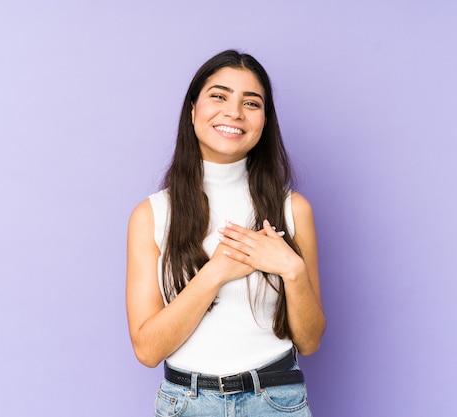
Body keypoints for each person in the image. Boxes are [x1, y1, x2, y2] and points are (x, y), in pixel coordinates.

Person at [126, 49, 326, 416]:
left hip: (276, 402)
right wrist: (217, 271)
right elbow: (147, 350)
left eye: (251, 103)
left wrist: (292, 270)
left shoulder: (293, 209)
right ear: (193, 110)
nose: (234, 112)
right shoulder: (151, 215)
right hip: (187, 403)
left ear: (264, 120)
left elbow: (309, 341)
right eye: (219, 96)